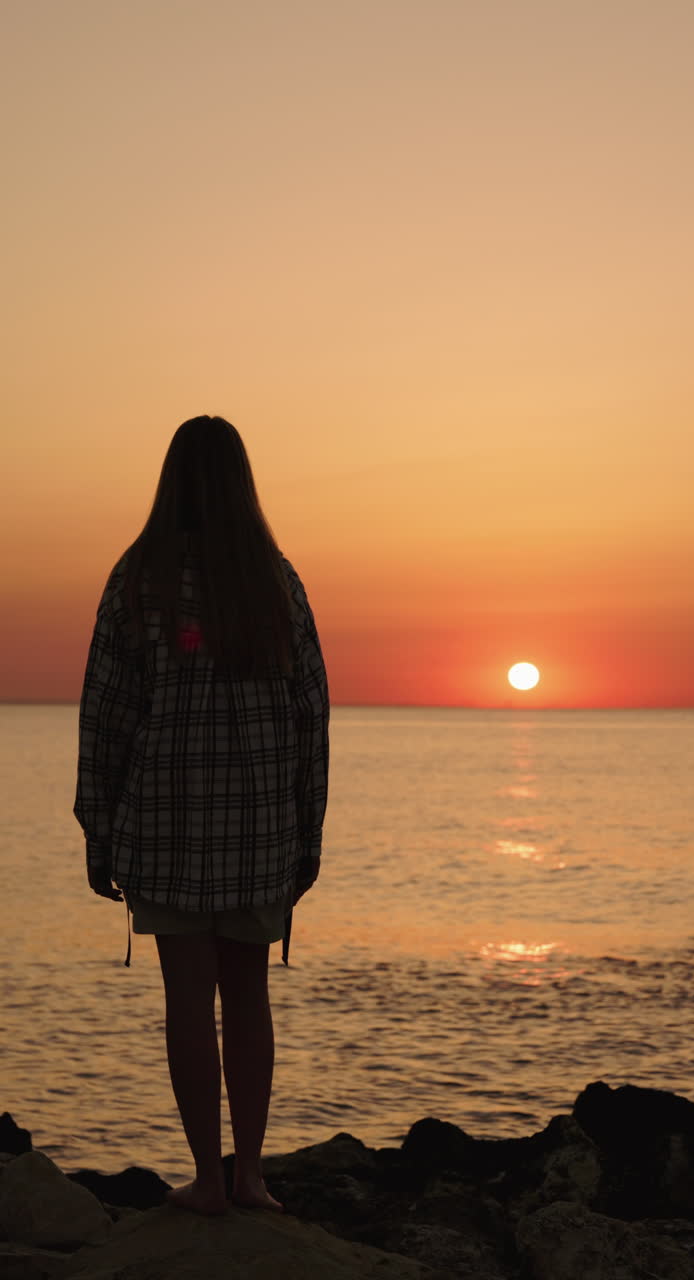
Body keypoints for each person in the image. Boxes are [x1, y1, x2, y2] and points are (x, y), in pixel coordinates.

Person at [73, 415, 330, 1217]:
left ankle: (209, 1182)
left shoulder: (138, 576)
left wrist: (97, 829)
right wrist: (308, 834)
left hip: (165, 825)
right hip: (259, 828)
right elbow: (310, 714)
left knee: (187, 1003)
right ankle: (251, 1175)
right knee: (247, 1000)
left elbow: (106, 714)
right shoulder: (273, 578)